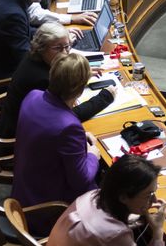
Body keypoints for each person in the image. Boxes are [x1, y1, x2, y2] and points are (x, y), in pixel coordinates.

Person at [11, 51, 102, 231]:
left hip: (24, 189)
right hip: (46, 207)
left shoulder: (33, 96)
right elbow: (81, 180)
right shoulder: (69, 128)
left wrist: (79, 138)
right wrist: (92, 155)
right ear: (80, 88)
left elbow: (47, 129)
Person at [0, 23, 113, 138]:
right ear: (41, 48)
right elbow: (67, 116)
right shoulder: (43, 80)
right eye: (57, 48)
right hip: (19, 137)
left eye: (67, 47)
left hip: (16, 122)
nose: (64, 53)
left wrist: (79, 74)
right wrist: (104, 97)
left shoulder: (33, 56)